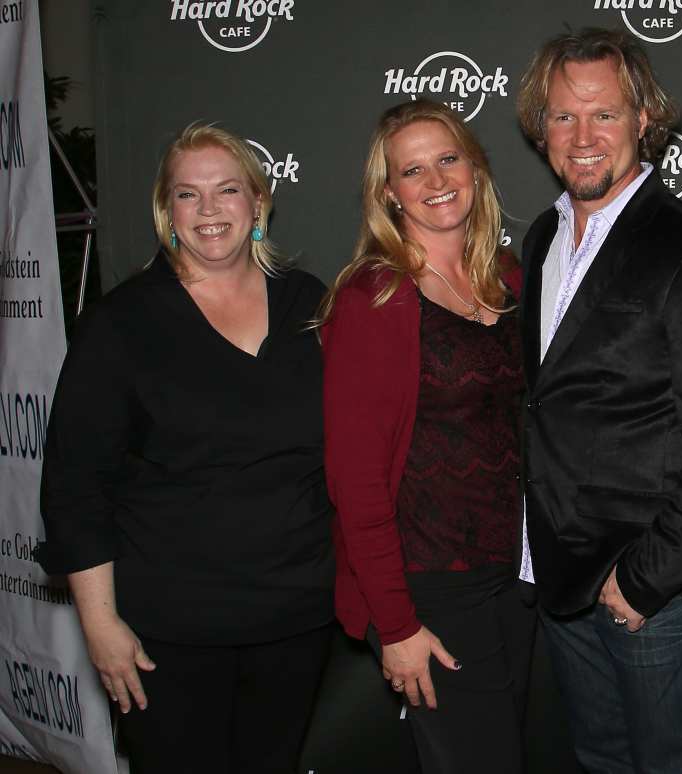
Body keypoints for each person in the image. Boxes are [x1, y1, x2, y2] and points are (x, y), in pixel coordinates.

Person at [38, 124, 334, 773]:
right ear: (165, 211)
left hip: (296, 617)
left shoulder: (310, 304)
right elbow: (75, 487)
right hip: (164, 634)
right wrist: (100, 625)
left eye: (227, 190)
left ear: (259, 202)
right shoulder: (122, 324)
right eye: (188, 195)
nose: (209, 211)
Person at [514, 27, 682, 774]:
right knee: (601, 761)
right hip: (562, 574)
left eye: (605, 114)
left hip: (653, 591)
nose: (583, 136)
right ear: (541, 127)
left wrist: (645, 579)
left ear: (644, 121)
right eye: (564, 116)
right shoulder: (540, 237)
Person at [317, 99, 532, 774]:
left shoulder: (511, 278)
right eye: (412, 170)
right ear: (389, 192)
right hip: (432, 586)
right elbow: (354, 482)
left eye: (448, 159)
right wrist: (398, 624)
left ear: (475, 167)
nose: (436, 180)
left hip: (520, 580)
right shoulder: (374, 297)